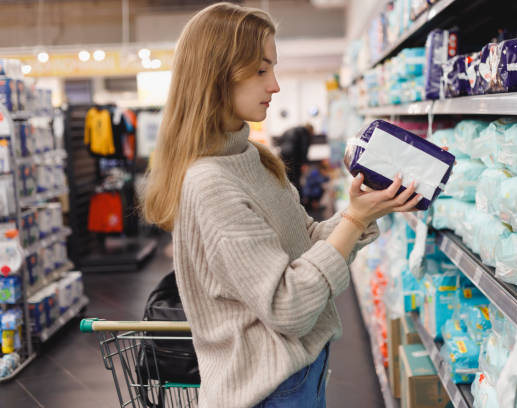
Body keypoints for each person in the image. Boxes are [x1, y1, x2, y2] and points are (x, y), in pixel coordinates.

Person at [143, 3, 422, 407]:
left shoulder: (253, 159)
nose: (274, 85)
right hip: (267, 391)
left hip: (297, 373)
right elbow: (288, 306)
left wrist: (360, 214)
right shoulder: (210, 184)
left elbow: (306, 241)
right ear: (217, 74)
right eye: (260, 70)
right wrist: (354, 220)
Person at [279, 123, 313, 197]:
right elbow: (304, 148)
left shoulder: (290, 129)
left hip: (283, 154)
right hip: (294, 156)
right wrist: (304, 162)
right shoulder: (304, 132)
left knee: (288, 176)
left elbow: (281, 140)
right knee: (296, 178)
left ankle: (289, 195)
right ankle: (300, 198)